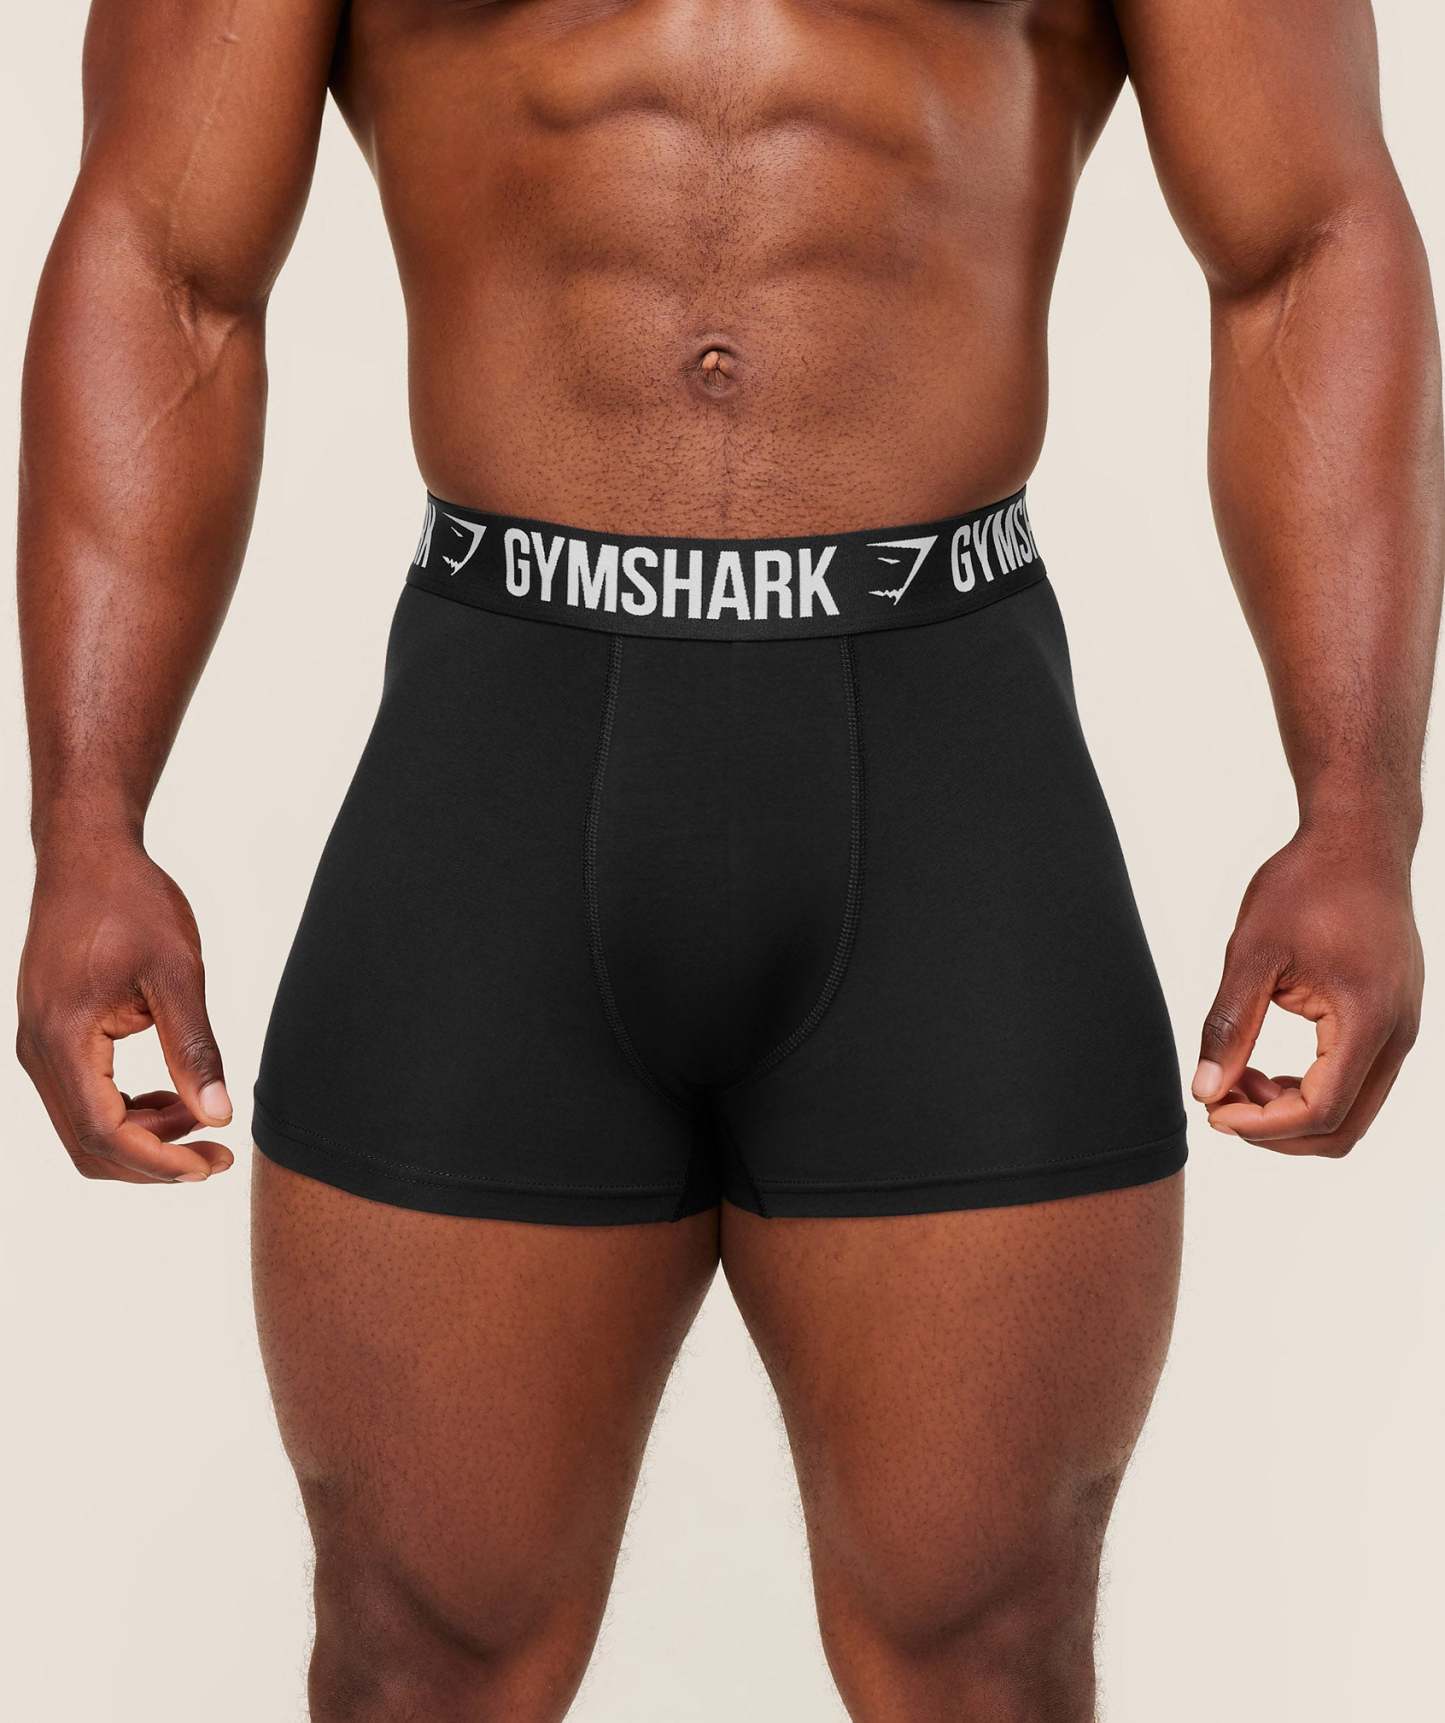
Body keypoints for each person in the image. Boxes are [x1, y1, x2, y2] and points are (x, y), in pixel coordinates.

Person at [15, 2, 1440, 1718]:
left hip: (946, 774)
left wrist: (1356, 813)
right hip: (500, 764)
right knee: (416, 1655)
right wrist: (87, 821)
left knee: (988, 1655)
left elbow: (1305, 245)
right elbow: (168, 264)